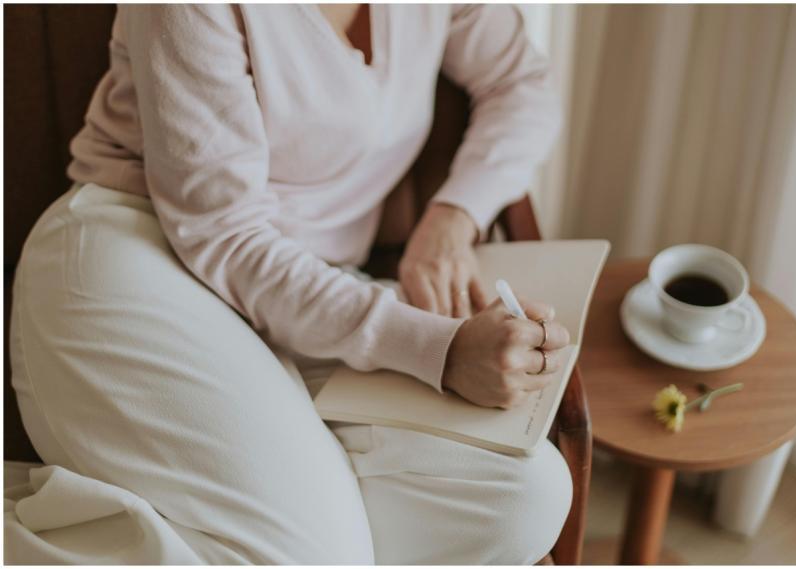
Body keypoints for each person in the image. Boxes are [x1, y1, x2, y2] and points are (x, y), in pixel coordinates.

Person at [9, 4, 571, 564]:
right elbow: (225, 236)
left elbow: (522, 83)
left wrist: (453, 217)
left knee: (525, 497)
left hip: (312, 293)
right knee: (315, 558)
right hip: (140, 255)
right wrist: (437, 350)